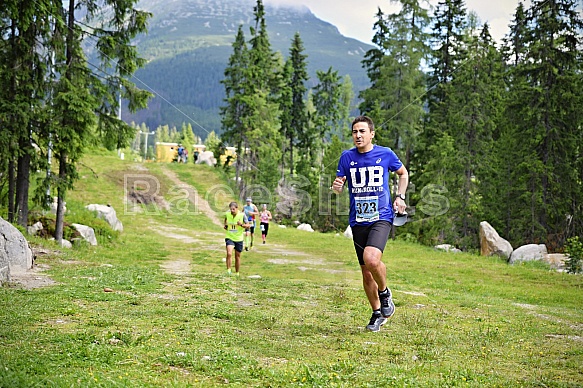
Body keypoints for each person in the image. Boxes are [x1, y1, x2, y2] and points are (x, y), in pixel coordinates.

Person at [332, 115, 408, 332]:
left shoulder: (385, 154)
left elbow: (403, 174)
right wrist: (337, 187)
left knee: (371, 259)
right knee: (366, 272)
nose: (358, 135)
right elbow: (339, 185)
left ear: (372, 133)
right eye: (355, 132)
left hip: (381, 217)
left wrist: (400, 197)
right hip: (358, 221)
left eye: (362, 131)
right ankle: (377, 313)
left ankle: (385, 294)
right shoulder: (346, 158)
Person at [223, 201, 251, 277]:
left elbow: (248, 225)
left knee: (237, 256)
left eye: (233, 209)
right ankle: (228, 271)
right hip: (230, 237)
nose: (232, 211)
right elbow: (225, 221)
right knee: (229, 253)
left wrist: (241, 224)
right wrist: (225, 225)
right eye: (230, 209)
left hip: (239, 238)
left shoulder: (242, 215)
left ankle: (237, 273)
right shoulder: (227, 214)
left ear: (237, 208)